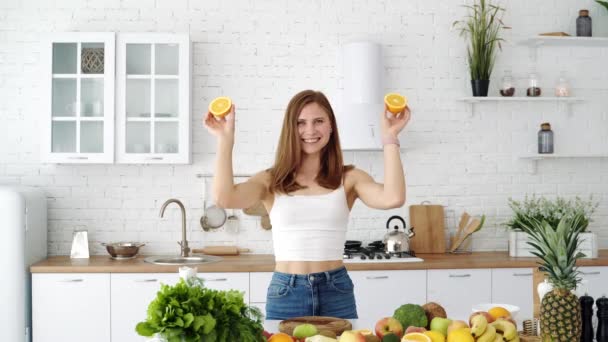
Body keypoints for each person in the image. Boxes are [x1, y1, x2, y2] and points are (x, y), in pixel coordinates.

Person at [203, 90, 410, 320]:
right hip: (286, 291)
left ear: (331, 126)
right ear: (290, 129)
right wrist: (224, 140)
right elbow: (224, 198)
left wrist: (389, 137)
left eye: (318, 121)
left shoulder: (349, 178)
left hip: (336, 290)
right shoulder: (270, 181)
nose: (310, 130)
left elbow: (393, 197)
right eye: (300, 123)